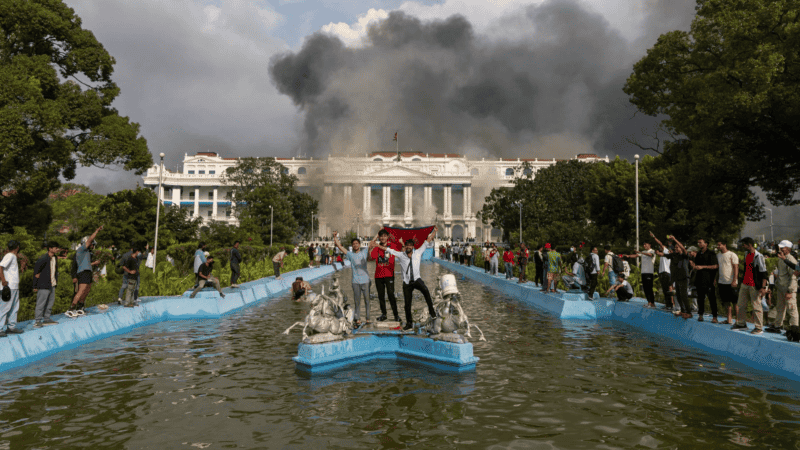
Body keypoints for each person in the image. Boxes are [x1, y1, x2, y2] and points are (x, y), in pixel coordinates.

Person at [377, 226, 439, 330]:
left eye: (411, 245)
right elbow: (388, 249)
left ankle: (432, 313)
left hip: (417, 280)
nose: (409, 247)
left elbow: (428, 240)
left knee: (426, 292)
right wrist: (377, 245)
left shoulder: (418, 253)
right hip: (406, 282)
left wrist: (434, 231)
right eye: (407, 245)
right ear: (405, 246)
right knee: (407, 304)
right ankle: (409, 323)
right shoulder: (401, 255)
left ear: (413, 246)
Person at [732, 237, 768, 334]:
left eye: (744, 244)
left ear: (749, 245)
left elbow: (764, 273)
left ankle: (759, 327)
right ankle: (741, 323)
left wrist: (763, 287)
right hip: (745, 283)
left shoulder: (758, 256)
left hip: (754, 285)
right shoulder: (746, 254)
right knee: (741, 304)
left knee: (756, 306)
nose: (743, 246)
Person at [334, 232, 371, 326]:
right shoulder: (350, 255)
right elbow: (340, 247)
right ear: (352, 245)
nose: (355, 245)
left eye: (357, 243)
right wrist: (335, 237)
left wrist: (378, 234)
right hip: (355, 281)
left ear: (359, 244)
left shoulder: (364, 252)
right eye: (353, 244)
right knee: (357, 301)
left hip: (365, 281)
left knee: (367, 300)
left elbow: (372, 243)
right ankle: (357, 318)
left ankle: (368, 318)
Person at [68, 226, 103, 314]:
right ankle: (71, 309)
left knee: (86, 290)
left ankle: (80, 307)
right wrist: (96, 231)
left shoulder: (87, 252)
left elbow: (86, 264)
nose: (93, 245)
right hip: (83, 273)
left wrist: (94, 263)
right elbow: (90, 239)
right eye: (92, 244)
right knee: (81, 291)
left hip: (88, 272)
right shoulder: (81, 249)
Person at [369, 229, 400, 322]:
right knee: (381, 296)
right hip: (378, 276)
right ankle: (384, 314)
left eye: (384, 236)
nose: (382, 238)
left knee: (391, 294)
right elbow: (370, 258)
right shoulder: (376, 248)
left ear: (387, 237)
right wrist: (373, 242)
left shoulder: (392, 246)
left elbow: (400, 246)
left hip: (389, 274)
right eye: (381, 236)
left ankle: (396, 315)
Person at [769, 240, 798, 334]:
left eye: (782, 248)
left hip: (788, 289)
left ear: (788, 249)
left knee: (792, 309)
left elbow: (793, 276)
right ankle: (777, 326)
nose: (780, 249)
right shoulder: (781, 258)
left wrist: (790, 291)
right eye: (780, 247)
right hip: (781, 288)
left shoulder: (791, 260)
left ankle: (795, 330)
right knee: (780, 308)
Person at [32, 242, 61, 327]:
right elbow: (36, 272)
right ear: (50, 248)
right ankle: (37, 321)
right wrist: (35, 285)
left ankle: (46, 319)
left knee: (50, 303)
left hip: (52, 284)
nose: (57, 249)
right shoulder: (43, 258)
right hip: (43, 284)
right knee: (41, 303)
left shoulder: (54, 258)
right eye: (55, 248)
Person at [663, 235, 692, 319]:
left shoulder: (685, 255)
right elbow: (664, 254)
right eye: (675, 247)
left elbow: (683, 248)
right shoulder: (675, 256)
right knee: (678, 295)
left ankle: (689, 312)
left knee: (684, 295)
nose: (676, 248)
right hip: (677, 278)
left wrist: (675, 239)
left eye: (677, 247)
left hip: (684, 277)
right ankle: (683, 311)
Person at [691, 238, 719, 322]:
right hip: (699, 279)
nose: (699, 244)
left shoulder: (711, 253)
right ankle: (700, 315)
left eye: (701, 242)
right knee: (700, 298)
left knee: (712, 299)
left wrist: (703, 267)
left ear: (706, 244)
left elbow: (715, 266)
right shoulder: (699, 254)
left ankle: (715, 316)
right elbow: (696, 265)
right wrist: (694, 266)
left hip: (709, 280)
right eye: (698, 243)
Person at [0, 240, 24, 336]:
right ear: (17, 247)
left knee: (14, 307)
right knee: (4, 307)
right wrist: (3, 280)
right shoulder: (10, 256)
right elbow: (0, 266)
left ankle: (11, 327)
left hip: (14, 286)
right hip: (8, 286)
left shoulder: (12, 256)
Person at [716, 240, 739, 324]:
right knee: (726, 301)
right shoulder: (718, 255)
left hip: (731, 282)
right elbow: (718, 268)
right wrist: (716, 279)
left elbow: (736, 267)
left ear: (724, 244)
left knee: (735, 302)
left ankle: (738, 320)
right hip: (722, 282)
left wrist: (734, 280)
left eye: (719, 244)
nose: (718, 246)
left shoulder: (732, 255)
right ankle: (729, 319)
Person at [650, 232, 674, 310]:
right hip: (662, 273)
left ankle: (671, 304)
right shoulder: (663, 254)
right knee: (664, 290)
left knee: (669, 290)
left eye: (662, 247)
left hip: (666, 273)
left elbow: (660, 243)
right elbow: (660, 253)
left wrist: (654, 237)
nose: (660, 247)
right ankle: (668, 305)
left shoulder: (667, 251)